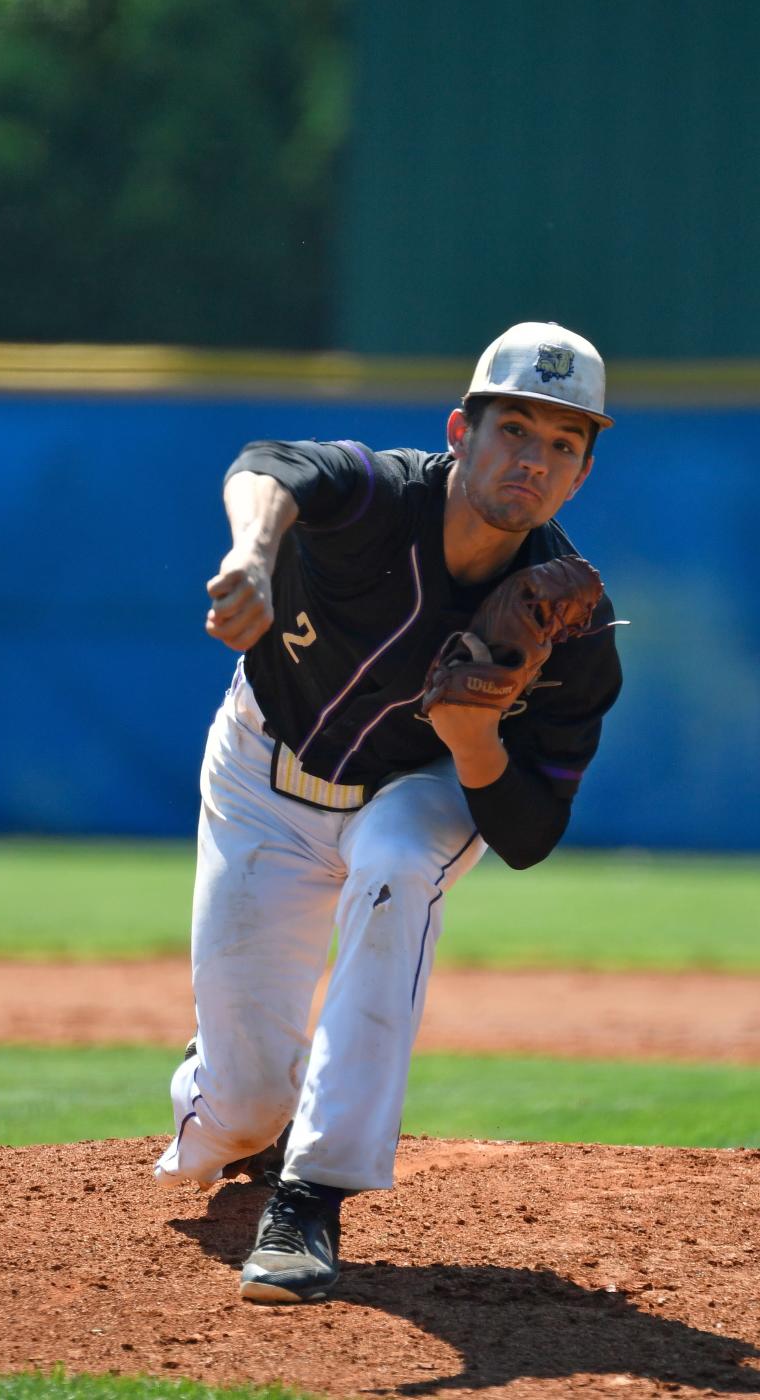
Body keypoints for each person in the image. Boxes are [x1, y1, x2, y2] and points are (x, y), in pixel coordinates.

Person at [154, 320, 623, 1303]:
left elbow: (529, 834)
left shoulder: (572, 629)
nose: (533, 459)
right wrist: (250, 557)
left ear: (581, 474)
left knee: (402, 867)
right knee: (238, 1110)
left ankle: (312, 1198)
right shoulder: (378, 494)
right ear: (461, 428)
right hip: (262, 772)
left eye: (563, 445)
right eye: (515, 430)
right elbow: (269, 464)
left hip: (418, 792)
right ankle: (246, 1097)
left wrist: (473, 738)